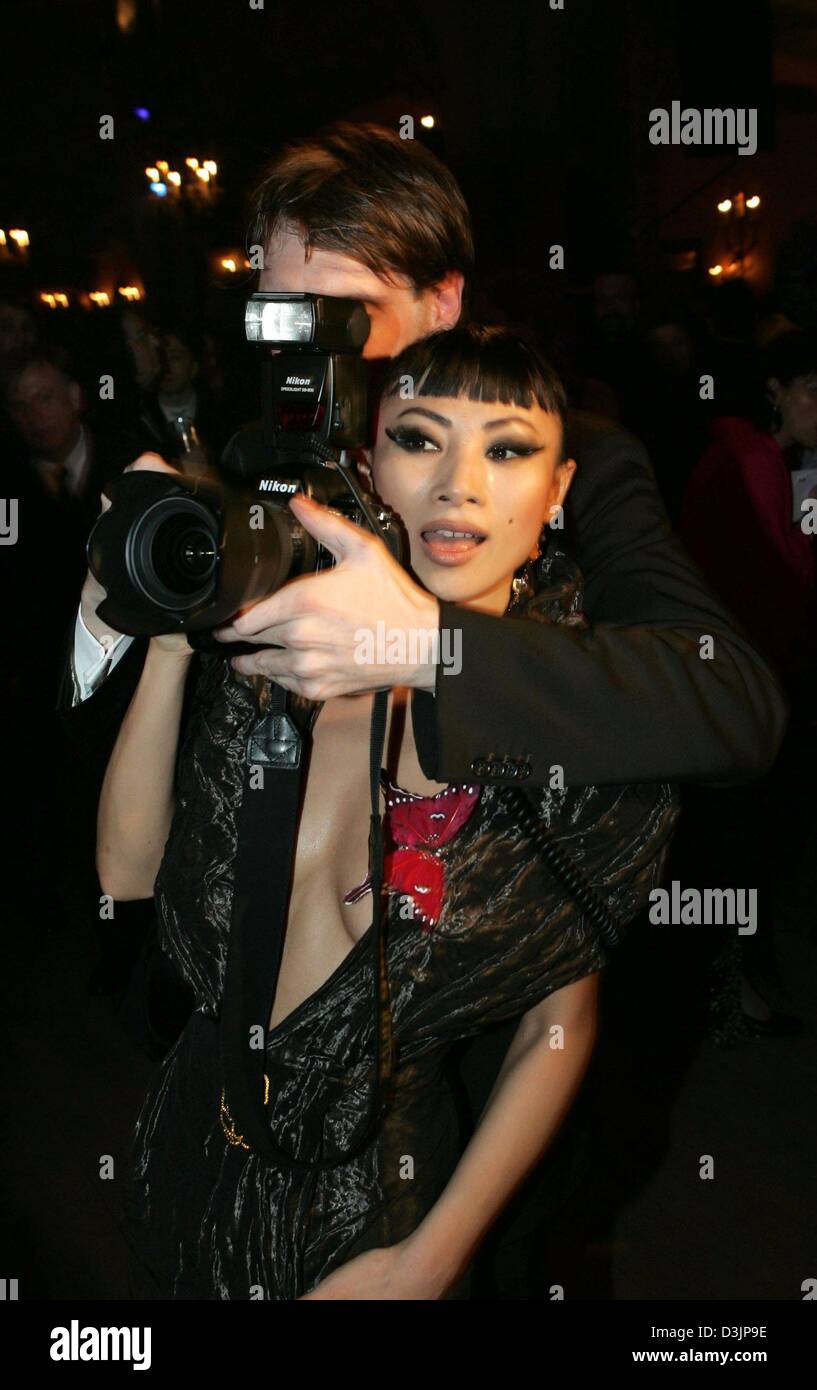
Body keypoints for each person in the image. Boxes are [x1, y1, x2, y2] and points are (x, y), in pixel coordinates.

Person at [56, 122, 787, 1295]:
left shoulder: (573, 459)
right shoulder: (248, 470)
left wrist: (424, 643)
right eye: (273, 304)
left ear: (441, 302)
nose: (296, 343)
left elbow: (731, 706)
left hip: (433, 1124)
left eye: (338, 312)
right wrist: (126, 607)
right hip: (211, 1108)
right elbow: (129, 844)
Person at [100, 325, 679, 1299]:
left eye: (505, 449)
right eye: (421, 439)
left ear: (560, 487)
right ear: (368, 465)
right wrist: (169, 641)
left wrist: (431, 1258)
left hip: (377, 1200)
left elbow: (556, 1026)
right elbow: (126, 876)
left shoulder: (578, 716)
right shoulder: (286, 648)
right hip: (188, 1146)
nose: (458, 483)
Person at [677, 328, 817, 1041]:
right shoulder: (747, 460)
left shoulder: (761, 456)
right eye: (811, 389)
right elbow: (783, 581)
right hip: (740, 689)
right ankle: (724, 996)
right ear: (773, 392)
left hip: (742, 684)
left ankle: (730, 988)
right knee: (736, 848)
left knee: (742, 846)